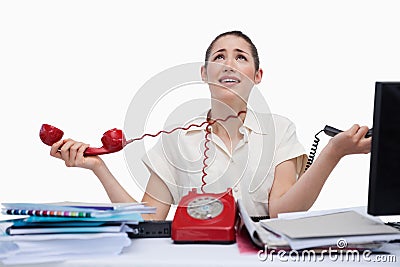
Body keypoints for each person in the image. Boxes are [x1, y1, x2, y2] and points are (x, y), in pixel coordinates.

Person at [50, 31, 371, 219]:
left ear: (258, 77)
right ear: (204, 73)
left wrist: (332, 153)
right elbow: (148, 220)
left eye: (240, 57)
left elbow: (281, 213)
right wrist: (99, 168)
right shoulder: (177, 139)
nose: (228, 63)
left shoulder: (280, 129)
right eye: (218, 57)